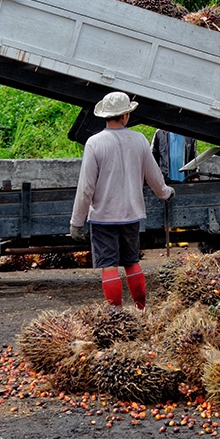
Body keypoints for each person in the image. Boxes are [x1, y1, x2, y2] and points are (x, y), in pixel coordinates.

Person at [70, 91, 174, 308]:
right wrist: (165, 193)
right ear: (126, 115)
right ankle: (141, 309)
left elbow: (86, 187)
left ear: (105, 116)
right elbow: (153, 176)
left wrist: (76, 222)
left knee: (109, 265)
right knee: (132, 263)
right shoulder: (139, 140)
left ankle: (115, 315)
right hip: (131, 214)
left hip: (103, 217)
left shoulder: (94, 143)